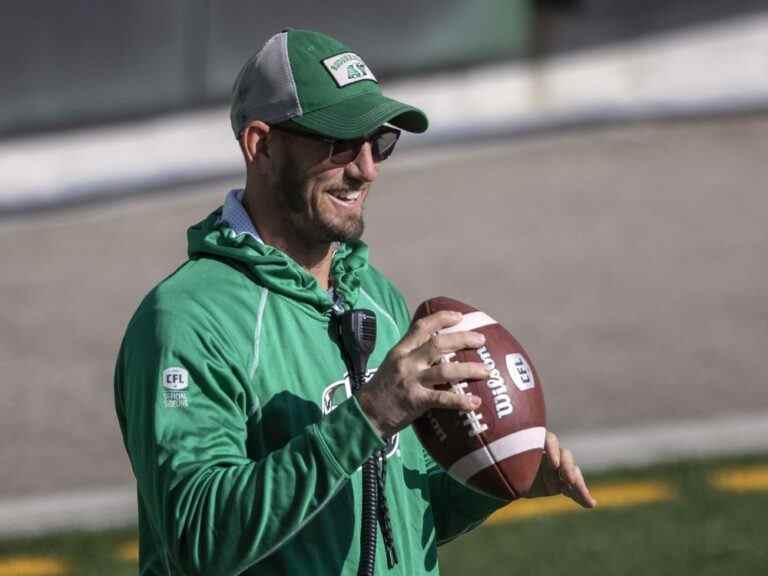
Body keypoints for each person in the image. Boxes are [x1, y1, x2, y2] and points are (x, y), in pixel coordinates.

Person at [114, 29, 596, 576]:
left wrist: (496, 476)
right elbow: (197, 538)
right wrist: (368, 415)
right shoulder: (186, 321)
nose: (367, 168)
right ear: (261, 145)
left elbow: (403, 516)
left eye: (380, 142)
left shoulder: (376, 298)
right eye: (339, 142)